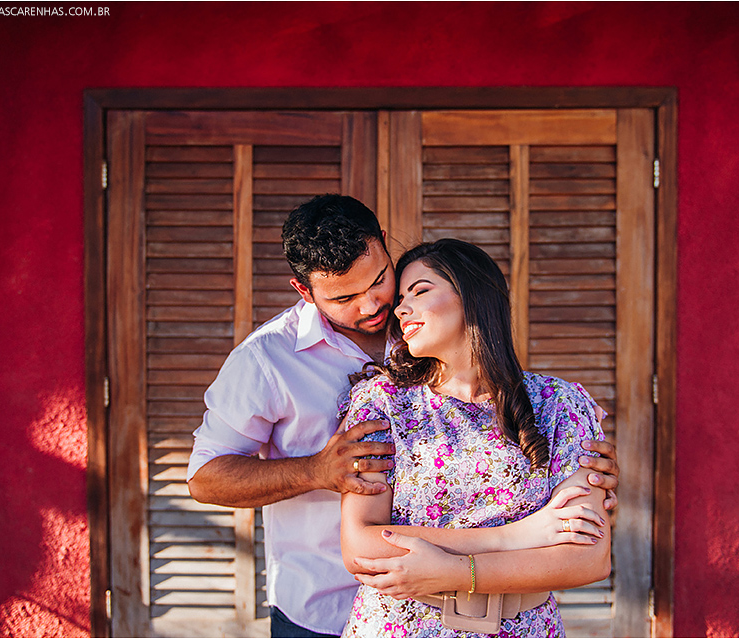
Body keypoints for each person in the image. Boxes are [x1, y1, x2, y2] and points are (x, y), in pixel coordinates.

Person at [187, 195, 620, 638]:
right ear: (304, 290)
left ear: (383, 244)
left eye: (379, 281)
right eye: (344, 297)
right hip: (325, 607)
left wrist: (573, 464)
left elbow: (581, 544)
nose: (374, 306)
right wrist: (315, 471)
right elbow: (205, 477)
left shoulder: (426, 326)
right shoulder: (268, 360)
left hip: (509, 611)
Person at [339, 239, 610, 637]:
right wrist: (515, 536)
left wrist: (457, 571)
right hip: (401, 627)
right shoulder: (383, 402)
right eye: (400, 299)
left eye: (420, 291)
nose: (399, 309)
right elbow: (362, 546)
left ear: (472, 295)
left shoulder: (560, 404)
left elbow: (589, 558)